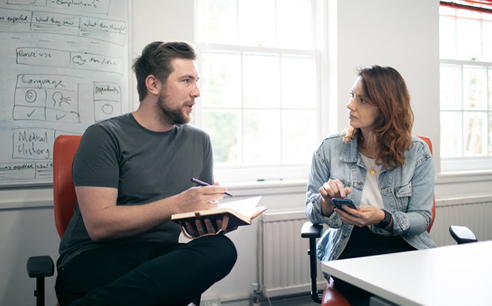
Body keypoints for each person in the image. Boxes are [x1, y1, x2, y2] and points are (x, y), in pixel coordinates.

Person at [55, 41, 238, 306]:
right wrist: (176, 204)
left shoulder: (200, 141)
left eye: (196, 81)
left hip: (160, 260)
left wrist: (212, 222)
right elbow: (99, 226)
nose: (196, 92)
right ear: (153, 85)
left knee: (221, 249)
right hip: (95, 257)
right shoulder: (104, 136)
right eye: (186, 80)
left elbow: (196, 225)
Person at [305, 65, 436, 306]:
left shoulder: (418, 152)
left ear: (386, 108)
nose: (350, 105)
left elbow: (422, 219)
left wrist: (382, 217)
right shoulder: (329, 148)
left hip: (401, 243)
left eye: (362, 99)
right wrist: (325, 202)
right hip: (350, 243)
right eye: (352, 95)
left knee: (412, 285)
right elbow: (310, 212)